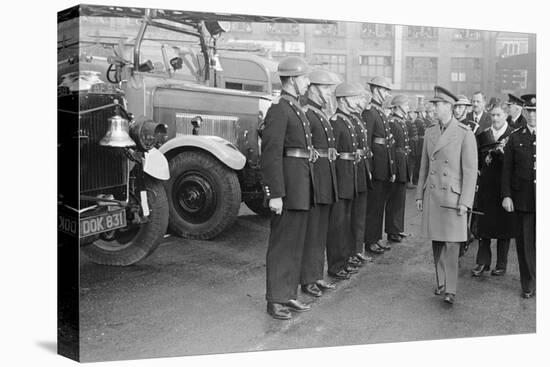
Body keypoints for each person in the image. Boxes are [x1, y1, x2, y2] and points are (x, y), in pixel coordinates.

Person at [261, 56, 314, 320]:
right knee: (282, 245)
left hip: (300, 187)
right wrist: (276, 194)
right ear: (292, 80)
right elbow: (270, 154)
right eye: (304, 78)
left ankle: (288, 293)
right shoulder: (280, 109)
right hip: (288, 189)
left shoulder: (295, 108)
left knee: (295, 244)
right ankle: (275, 299)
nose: (307, 83)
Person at [416, 86, 478, 305]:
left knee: (452, 244)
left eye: (437, 104)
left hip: (452, 198)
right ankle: (441, 281)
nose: (433, 108)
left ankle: (450, 288)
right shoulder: (430, 131)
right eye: (433, 104)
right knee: (438, 242)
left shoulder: (464, 133)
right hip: (433, 194)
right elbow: (423, 166)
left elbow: (470, 172)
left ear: (448, 107)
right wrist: (419, 195)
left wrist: (465, 202)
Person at [299, 69, 339, 298]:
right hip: (315, 179)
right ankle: (307, 279)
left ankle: (316, 275)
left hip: (325, 178)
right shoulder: (306, 111)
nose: (328, 93)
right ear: (312, 87)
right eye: (325, 88)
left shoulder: (320, 113)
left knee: (320, 231)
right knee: (312, 232)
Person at [471, 103, 516, 277]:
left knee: (505, 227)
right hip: (486, 188)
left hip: (505, 189)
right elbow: (478, 161)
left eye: (498, 115)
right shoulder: (484, 135)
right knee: (484, 226)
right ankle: (483, 262)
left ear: (506, 115)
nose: (495, 118)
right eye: (493, 115)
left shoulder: (512, 135)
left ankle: (501, 264)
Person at [326, 82, 364, 280]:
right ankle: (336, 264)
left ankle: (345, 259)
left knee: (346, 222)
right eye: (353, 97)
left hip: (349, 176)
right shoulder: (336, 121)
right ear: (342, 100)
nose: (357, 101)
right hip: (341, 177)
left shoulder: (347, 120)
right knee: (337, 225)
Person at [501, 94, 536, 299]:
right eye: (530, 111)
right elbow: (506, 170)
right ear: (524, 111)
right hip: (522, 200)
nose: (532, 115)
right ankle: (528, 283)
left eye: (537, 112)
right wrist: (506, 195)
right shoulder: (515, 136)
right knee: (524, 245)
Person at [363, 76, 395, 254]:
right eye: (384, 90)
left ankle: (376, 237)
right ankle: (369, 240)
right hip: (376, 166)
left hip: (383, 165)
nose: (386, 94)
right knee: (373, 206)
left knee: (379, 204)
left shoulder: (380, 111)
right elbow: (367, 143)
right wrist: (368, 167)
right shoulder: (370, 112)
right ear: (375, 90)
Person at [386, 95, 411, 243]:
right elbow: (392, 147)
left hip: (403, 162)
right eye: (406, 104)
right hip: (397, 163)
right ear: (398, 106)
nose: (408, 107)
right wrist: (393, 169)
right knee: (394, 199)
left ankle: (397, 228)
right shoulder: (393, 123)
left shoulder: (401, 122)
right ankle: (392, 231)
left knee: (400, 199)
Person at [406, 106, 419, 189]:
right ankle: (408, 181)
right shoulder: (407, 122)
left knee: (412, 163)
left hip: (413, 144)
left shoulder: (410, 122)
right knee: (409, 164)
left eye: (412, 112)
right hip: (410, 144)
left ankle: (410, 181)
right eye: (410, 112)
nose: (412, 114)